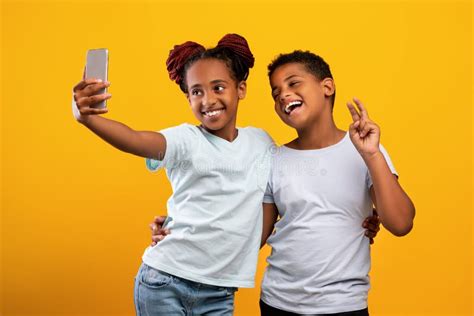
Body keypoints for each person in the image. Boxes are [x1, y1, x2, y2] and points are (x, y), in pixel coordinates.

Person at [152, 51, 408, 315]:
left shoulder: (366, 150)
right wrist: (184, 231)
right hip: (278, 302)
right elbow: (250, 234)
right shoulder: (273, 158)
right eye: (276, 93)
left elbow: (401, 223)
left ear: (327, 87)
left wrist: (372, 156)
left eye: (293, 83)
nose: (283, 94)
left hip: (344, 304)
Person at [72, 34, 274, 315]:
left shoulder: (261, 142)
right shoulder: (186, 140)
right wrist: (87, 118)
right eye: (196, 91)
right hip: (166, 282)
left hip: (219, 292)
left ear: (241, 89)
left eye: (218, 87)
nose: (208, 100)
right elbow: (133, 139)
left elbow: (276, 195)